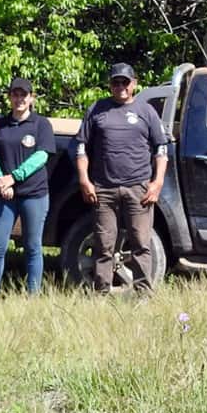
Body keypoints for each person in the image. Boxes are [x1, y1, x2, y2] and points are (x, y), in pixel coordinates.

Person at [76, 62, 168, 295]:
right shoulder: (97, 109)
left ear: (134, 84)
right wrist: (84, 181)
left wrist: (157, 183)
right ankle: (101, 294)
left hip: (138, 188)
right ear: (110, 85)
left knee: (141, 243)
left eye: (125, 82)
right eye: (116, 82)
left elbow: (161, 150)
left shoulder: (146, 111)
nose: (120, 87)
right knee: (104, 244)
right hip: (104, 188)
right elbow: (81, 148)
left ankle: (143, 294)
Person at [0, 77, 57, 295]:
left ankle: (32, 295)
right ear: (9, 97)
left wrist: (13, 177)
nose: (19, 99)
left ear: (31, 98)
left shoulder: (41, 124)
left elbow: (42, 156)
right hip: (4, 195)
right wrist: (0, 181)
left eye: (23, 95)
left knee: (33, 247)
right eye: (15, 94)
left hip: (34, 194)